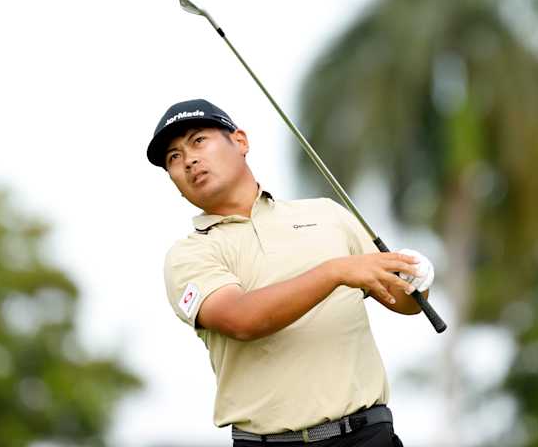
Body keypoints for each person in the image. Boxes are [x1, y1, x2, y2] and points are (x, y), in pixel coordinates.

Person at [148, 99, 430, 446]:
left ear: (240, 141)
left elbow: (404, 300)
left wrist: (419, 279)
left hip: (365, 437)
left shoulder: (327, 215)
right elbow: (241, 319)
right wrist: (335, 272)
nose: (188, 159)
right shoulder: (188, 255)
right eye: (173, 157)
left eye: (198, 141)